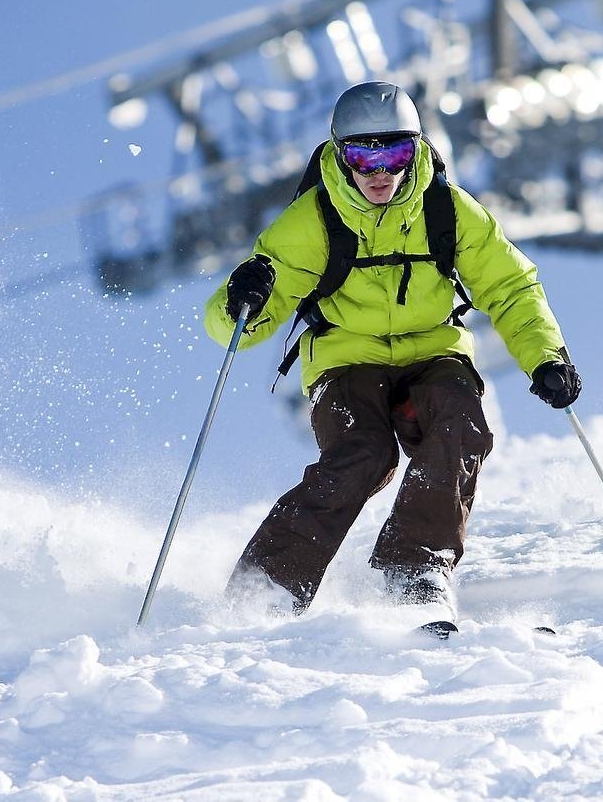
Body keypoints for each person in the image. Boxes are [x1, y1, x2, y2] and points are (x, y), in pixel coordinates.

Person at [203, 80, 581, 621]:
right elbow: (235, 327)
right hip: (345, 357)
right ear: (340, 154)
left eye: (397, 154)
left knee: (460, 423)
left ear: (416, 150)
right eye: (362, 156)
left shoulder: (446, 209)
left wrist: (546, 357)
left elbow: (510, 285)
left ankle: (413, 567)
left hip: (433, 351)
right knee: (363, 453)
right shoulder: (314, 220)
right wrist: (246, 296)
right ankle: (268, 585)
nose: (380, 173)